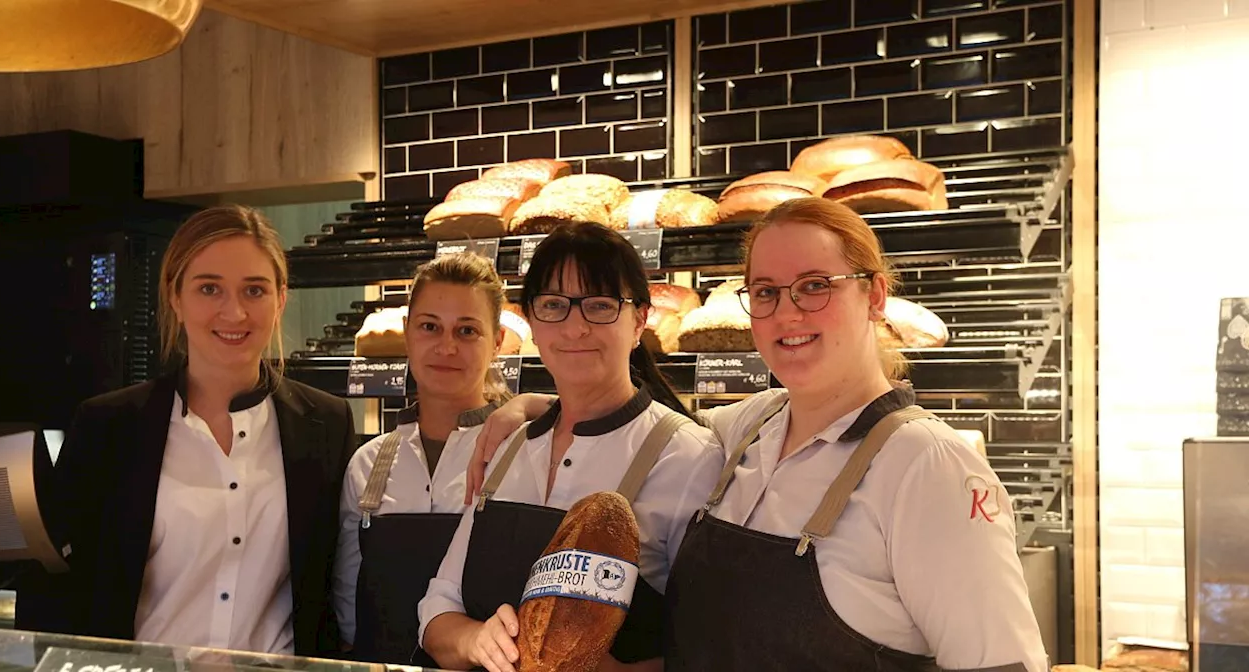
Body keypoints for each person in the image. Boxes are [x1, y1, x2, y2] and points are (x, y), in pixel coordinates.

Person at [467, 198, 1050, 671]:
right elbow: (631, 412)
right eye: (766, 291)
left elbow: (1004, 664)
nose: (787, 312)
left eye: (815, 285)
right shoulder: (751, 427)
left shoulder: (927, 468)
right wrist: (530, 406)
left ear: (874, 295)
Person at [15, 205, 356, 658]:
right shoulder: (108, 426)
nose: (233, 312)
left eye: (254, 290)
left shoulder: (326, 424)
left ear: (280, 299)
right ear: (175, 297)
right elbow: (56, 586)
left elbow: (337, 587)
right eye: (209, 288)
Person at [417, 222, 723, 672]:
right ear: (532, 323)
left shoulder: (685, 456)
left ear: (639, 320)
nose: (575, 328)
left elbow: (712, 647)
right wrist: (475, 640)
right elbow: (438, 607)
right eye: (554, 306)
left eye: (599, 306)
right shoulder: (508, 447)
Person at [333, 252, 514, 665]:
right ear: (407, 333)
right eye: (430, 327)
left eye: (467, 331)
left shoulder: (521, 455)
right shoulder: (368, 464)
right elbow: (346, 601)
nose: (446, 347)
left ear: (497, 342)